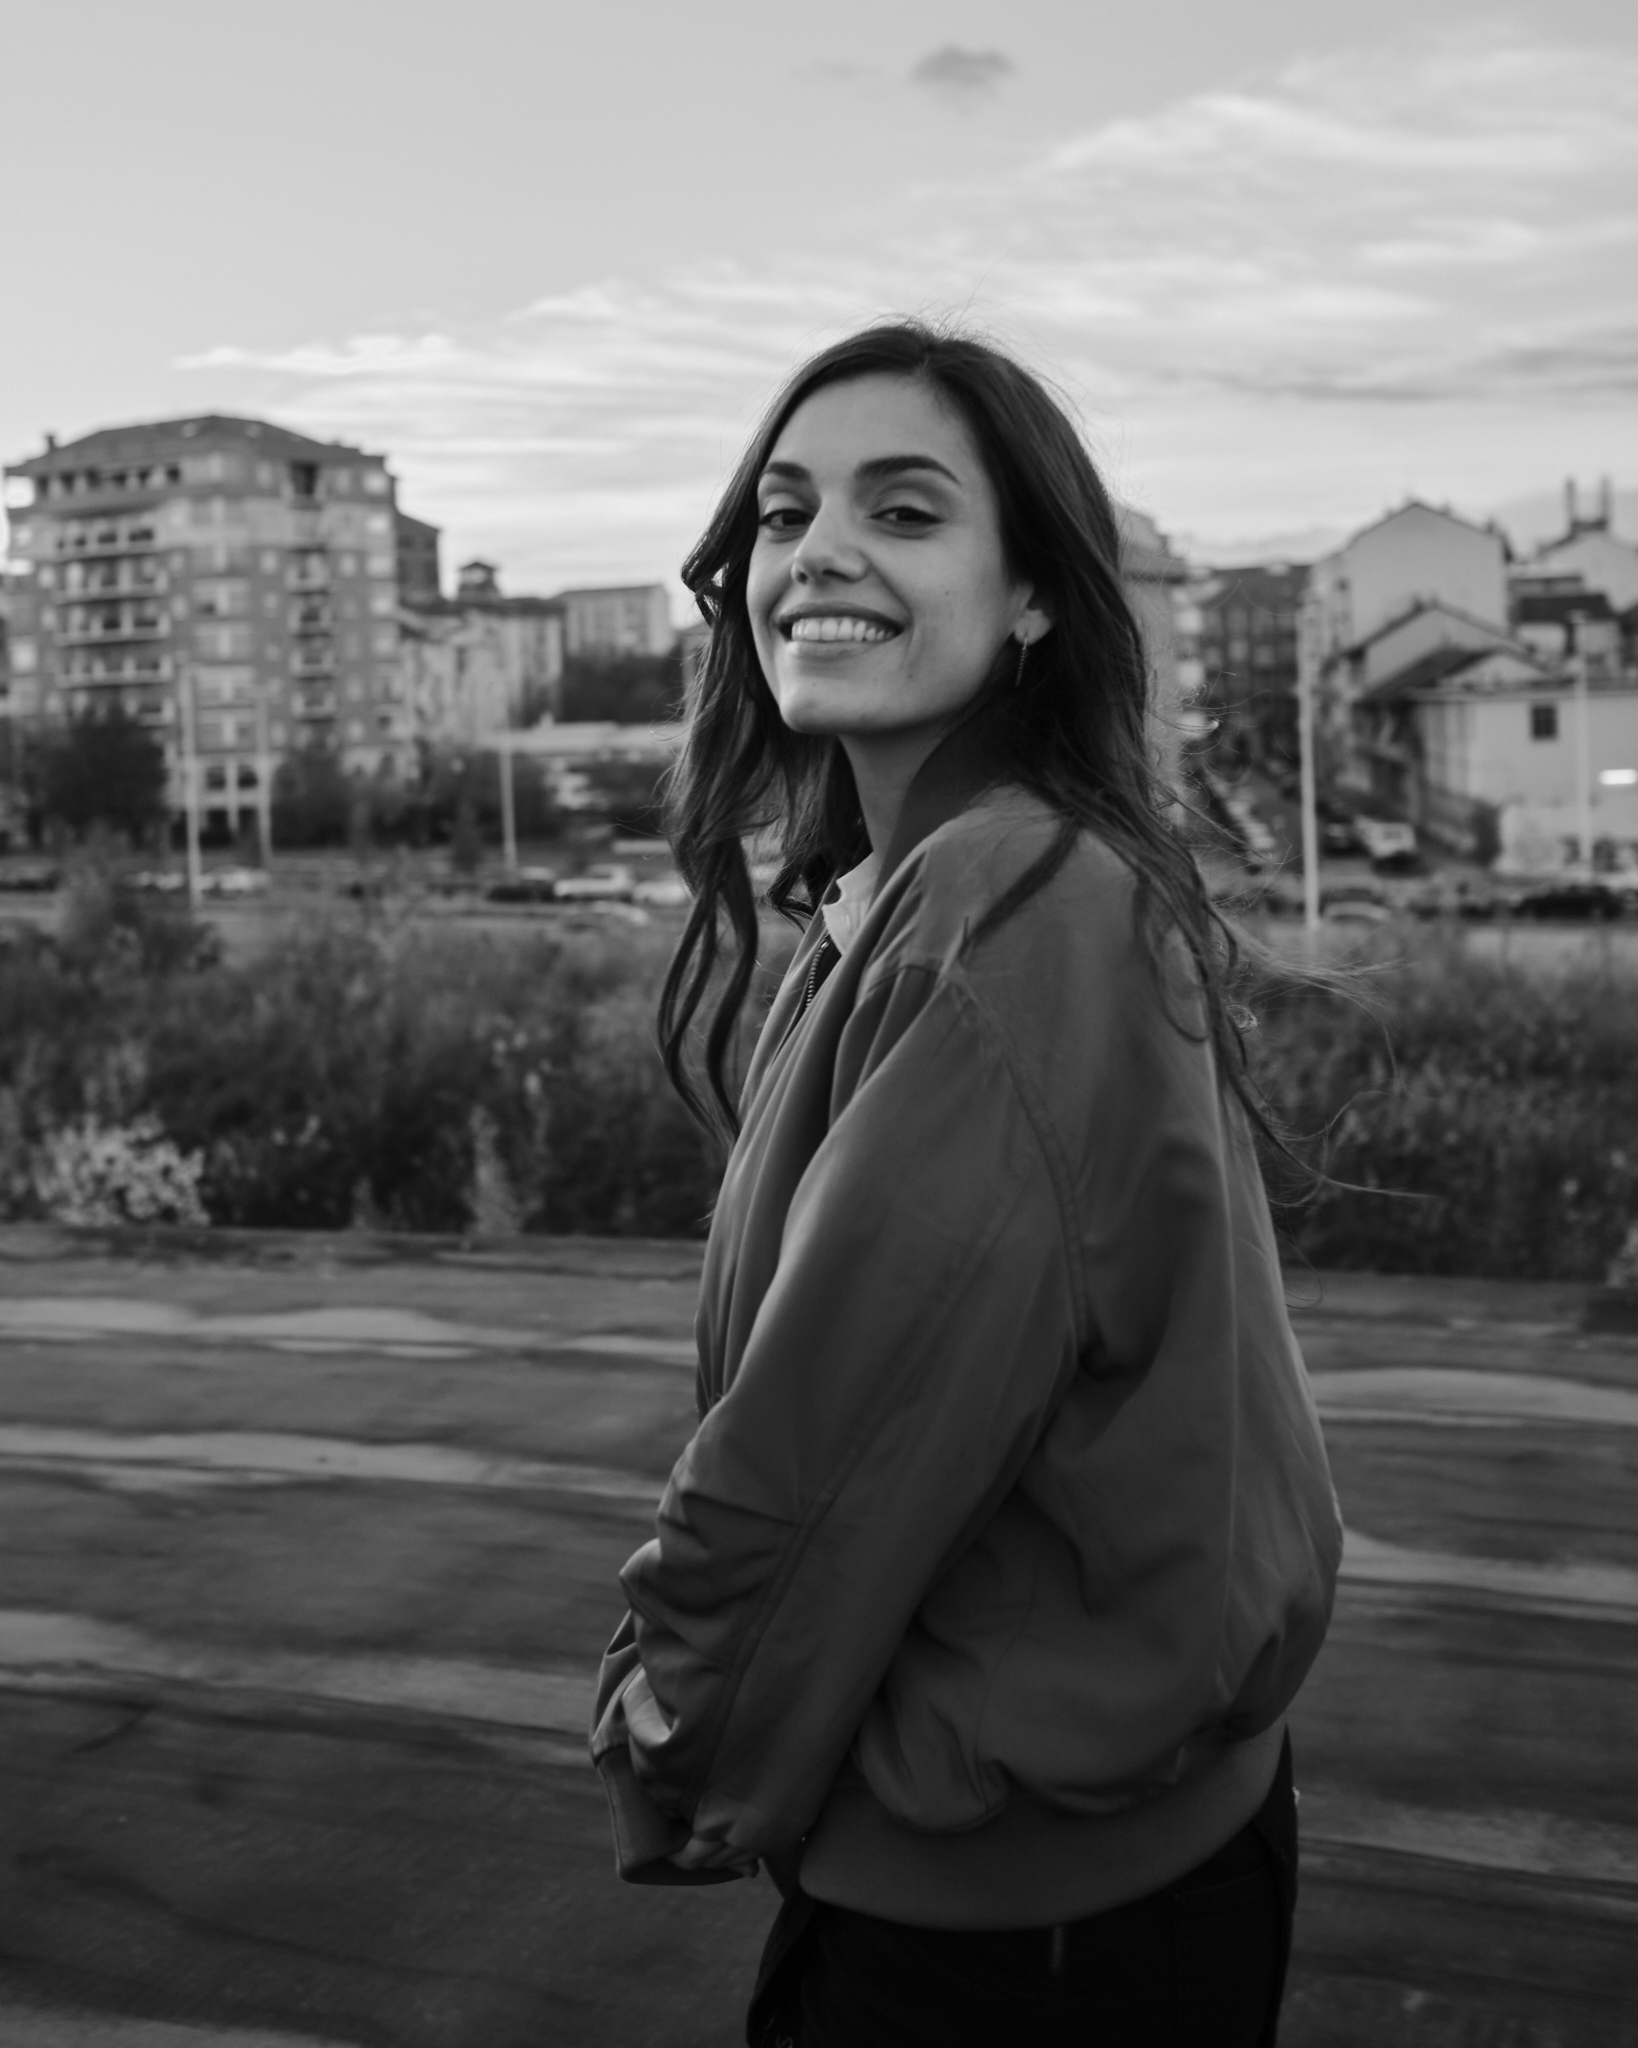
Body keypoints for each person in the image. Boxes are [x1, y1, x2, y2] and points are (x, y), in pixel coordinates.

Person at [591, 320, 1342, 2048]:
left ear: (1031, 599)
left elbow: (826, 1456)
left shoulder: (1008, 914)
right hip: (1058, 1865)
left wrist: (664, 1738)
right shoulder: (929, 890)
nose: (817, 553)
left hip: (1022, 1932)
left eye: (905, 511)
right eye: (784, 513)